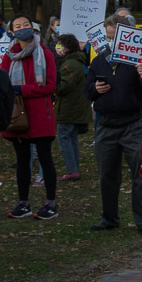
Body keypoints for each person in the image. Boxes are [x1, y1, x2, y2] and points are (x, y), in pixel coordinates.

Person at [85, 14, 142, 238]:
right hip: (106, 126)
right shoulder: (98, 62)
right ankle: (109, 217)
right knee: (107, 174)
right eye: (108, 38)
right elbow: (86, 92)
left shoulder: (140, 61)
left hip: (134, 124)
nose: (111, 43)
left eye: (115, 38)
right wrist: (95, 89)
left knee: (141, 173)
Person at [1, 15, 59, 220]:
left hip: (40, 115)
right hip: (18, 116)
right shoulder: (8, 56)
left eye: (26, 25)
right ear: (12, 31)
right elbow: (3, 85)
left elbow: (50, 86)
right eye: (18, 26)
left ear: (33, 28)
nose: (23, 28)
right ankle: (23, 202)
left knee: (45, 158)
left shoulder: (46, 54)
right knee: (22, 160)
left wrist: (21, 89)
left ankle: (51, 202)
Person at [54, 33, 91, 181]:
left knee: (65, 137)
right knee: (72, 138)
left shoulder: (70, 65)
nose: (57, 48)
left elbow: (63, 87)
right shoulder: (73, 62)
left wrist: (53, 82)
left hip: (69, 108)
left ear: (68, 47)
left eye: (60, 45)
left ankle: (72, 170)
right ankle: (74, 169)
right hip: (73, 107)